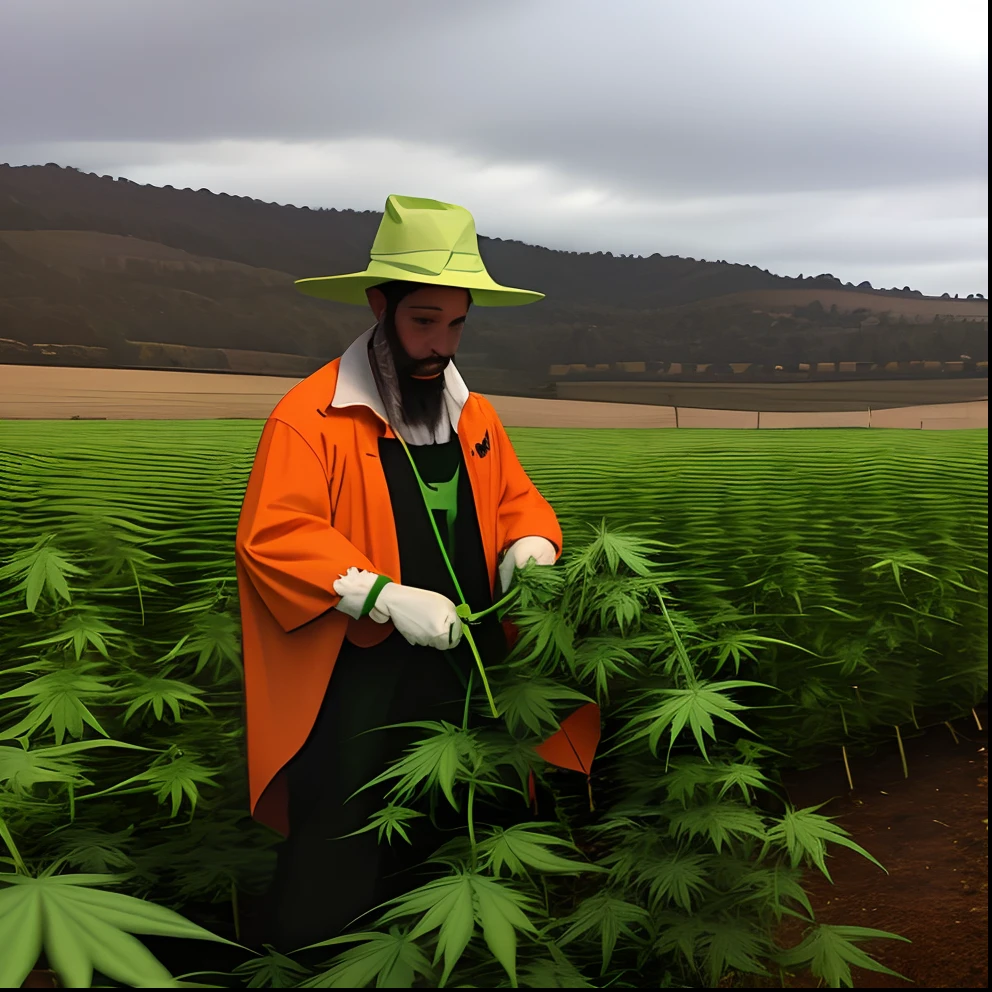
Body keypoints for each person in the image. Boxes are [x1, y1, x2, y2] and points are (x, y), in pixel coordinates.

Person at [234, 194, 563, 954]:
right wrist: (380, 595)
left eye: (455, 325)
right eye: (423, 322)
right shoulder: (309, 416)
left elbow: (518, 501)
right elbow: (274, 534)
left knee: (466, 811)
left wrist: (530, 546)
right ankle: (324, 964)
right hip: (360, 674)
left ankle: (458, 955)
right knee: (347, 825)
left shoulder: (474, 415)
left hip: (469, 661)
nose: (440, 344)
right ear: (380, 306)